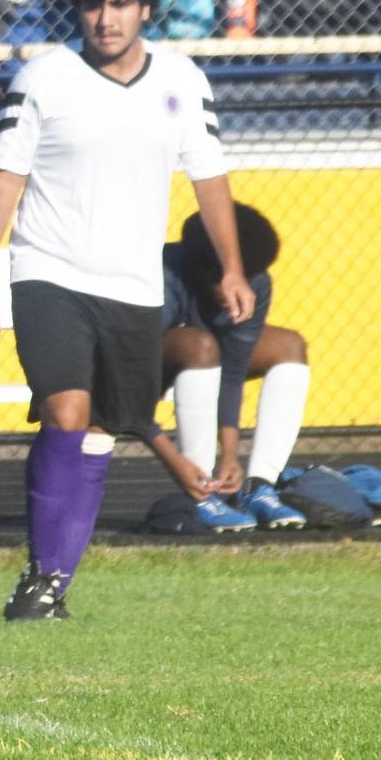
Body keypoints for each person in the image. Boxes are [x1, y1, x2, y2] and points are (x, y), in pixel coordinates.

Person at [0, 0, 253, 621]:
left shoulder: (181, 80)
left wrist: (233, 267)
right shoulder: (41, 78)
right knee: (66, 410)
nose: (105, 17)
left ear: (146, 7)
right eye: (93, 3)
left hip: (131, 285)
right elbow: (5, 176)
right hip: (47, 270)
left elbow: (208, 179)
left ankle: (51, 584)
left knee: (101, 428)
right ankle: (40, 576)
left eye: (119, 3)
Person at [139, 204, 310, 531]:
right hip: (142, 368)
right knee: (201, 344)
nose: (240, 287)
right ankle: (202, 495)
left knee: (290, 346)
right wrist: (178, 464)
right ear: (201, 268)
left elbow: (233, 371)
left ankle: (259, 488)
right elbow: (128, 377)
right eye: (229, 277)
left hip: (209, 363)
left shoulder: (255, 283)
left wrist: (230, 455)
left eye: (247, 278)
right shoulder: (161, 275)